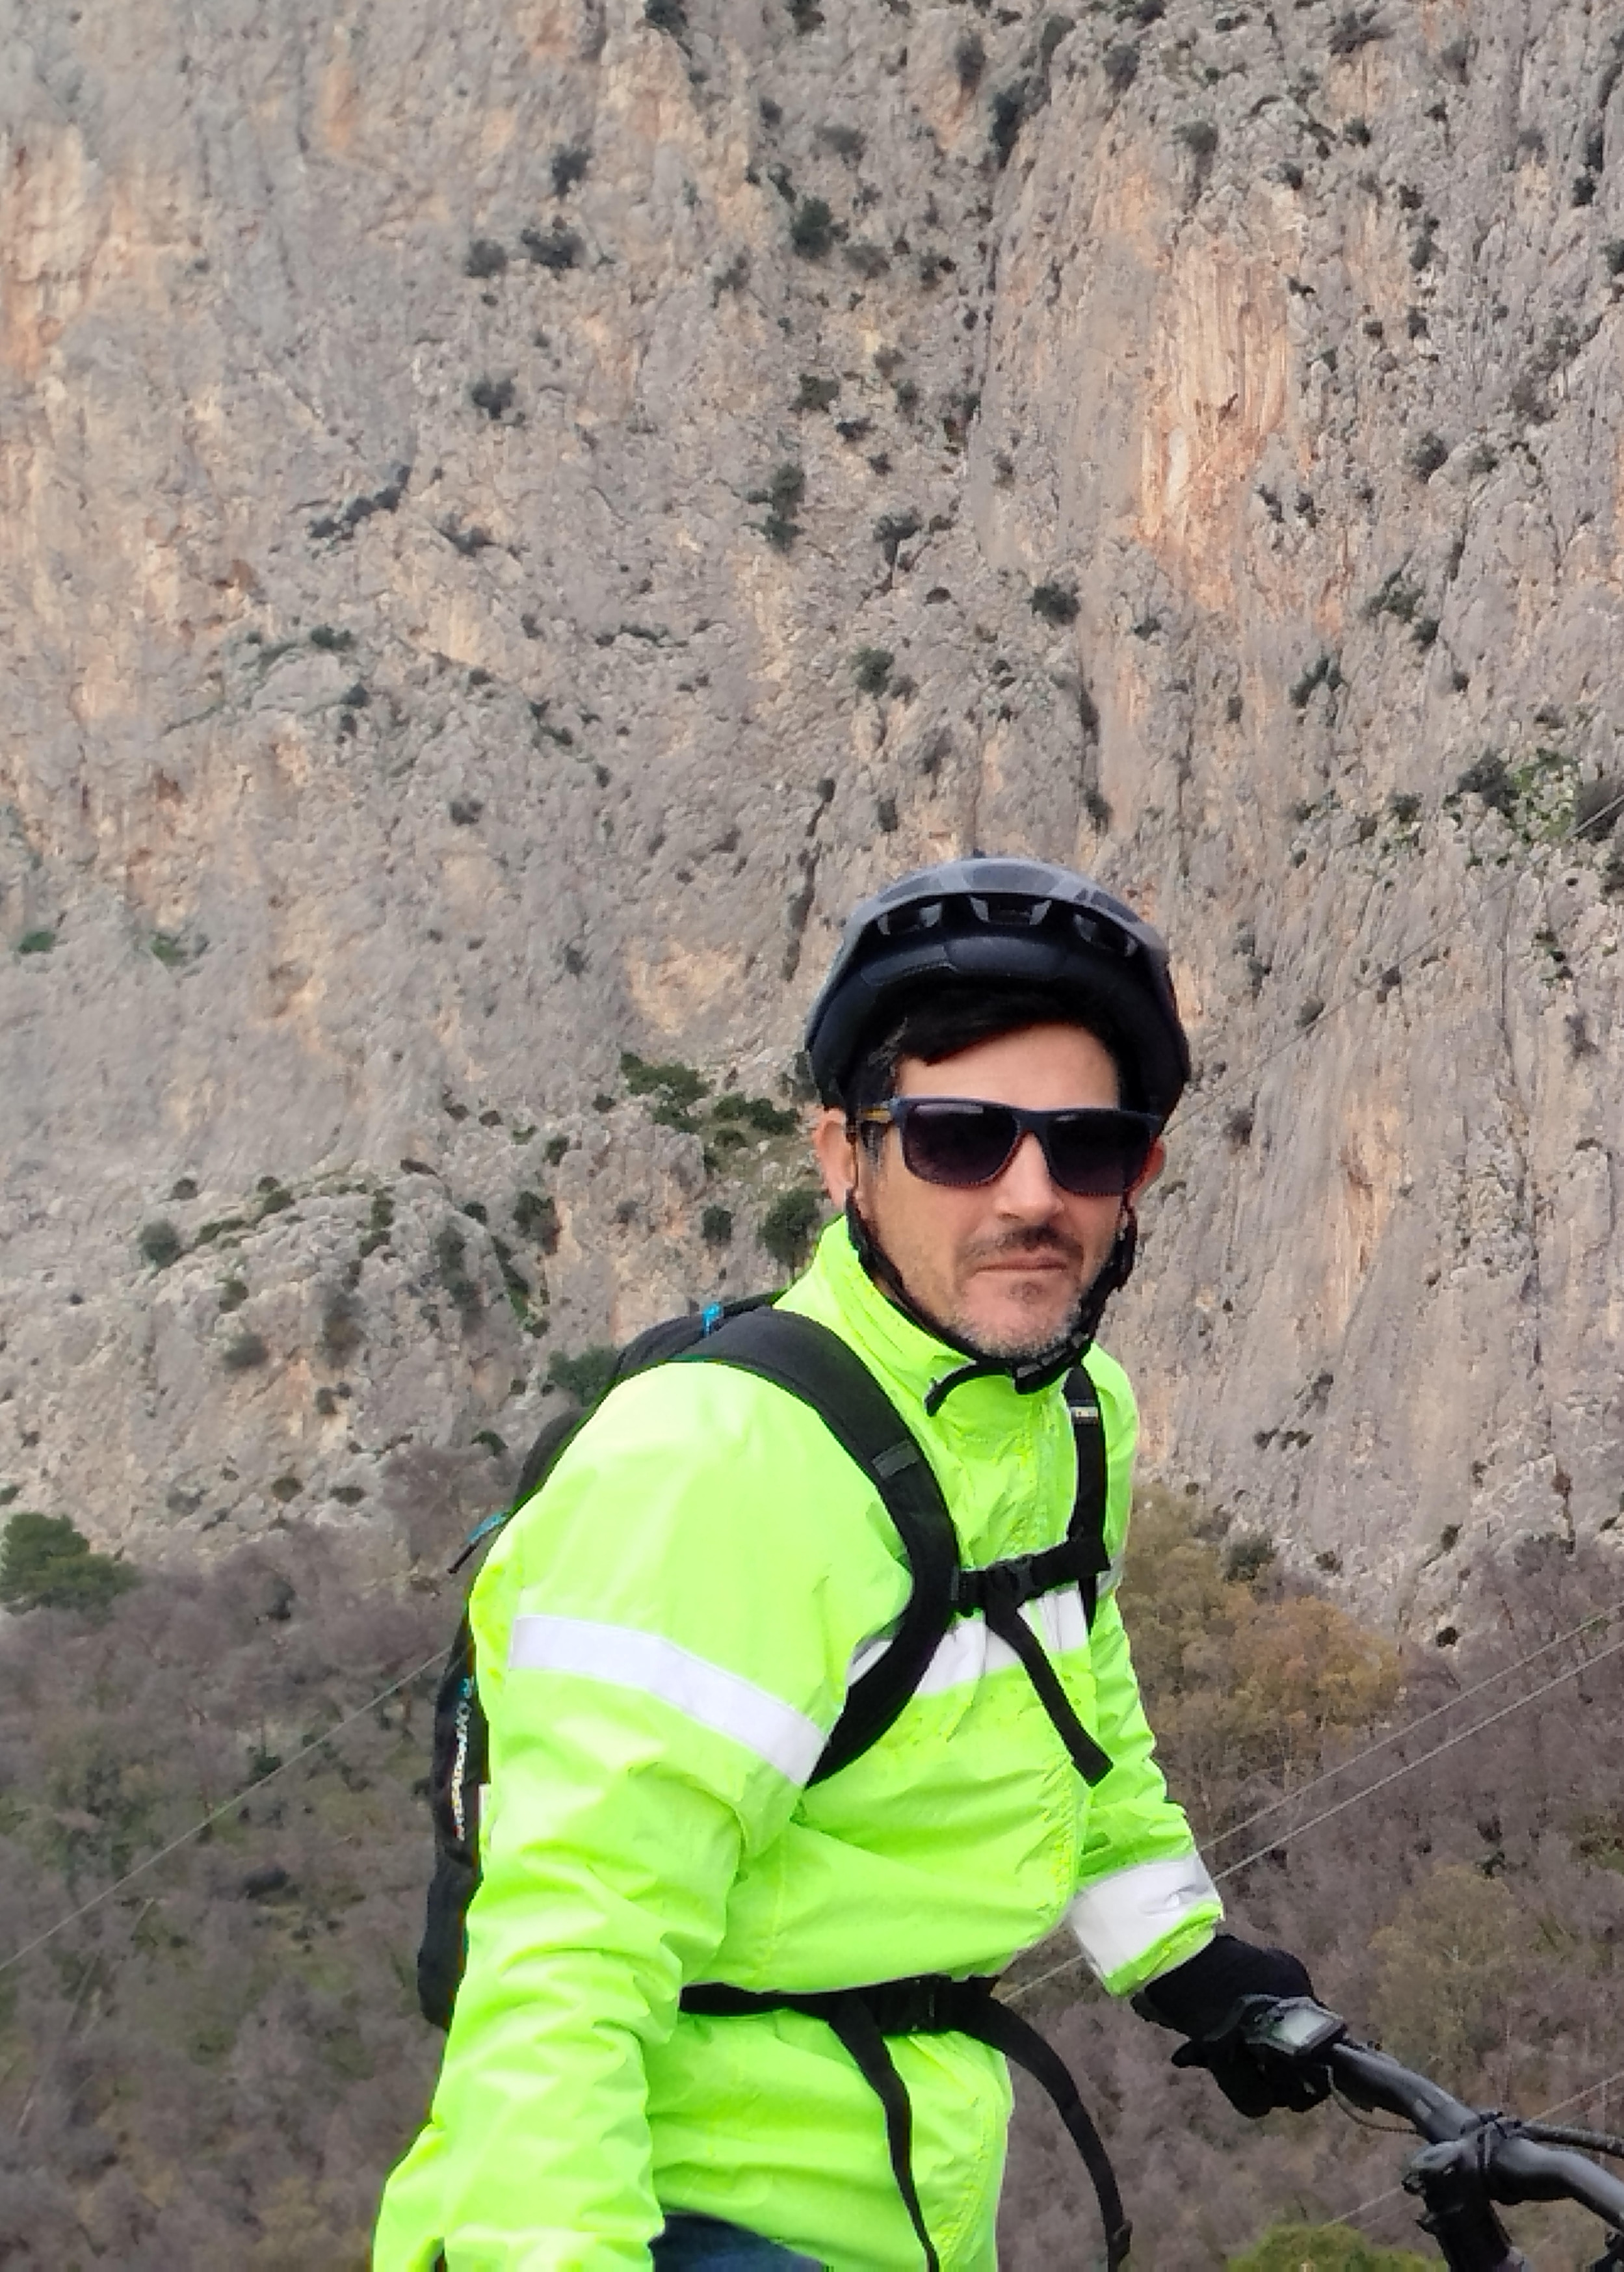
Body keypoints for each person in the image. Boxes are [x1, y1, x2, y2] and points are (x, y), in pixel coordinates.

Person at [377, 858, 1326, 2271]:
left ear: (1141, 1178)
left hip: (904, 2199)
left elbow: (1072, 1714)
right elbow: (566, 1953)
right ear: (844, 1157)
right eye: (959, 1137)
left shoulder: (1070, 1417)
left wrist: (1183, 1955)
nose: (1030, 1193)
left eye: (1085, 1147)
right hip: (663, 2210)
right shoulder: (716, 1468)